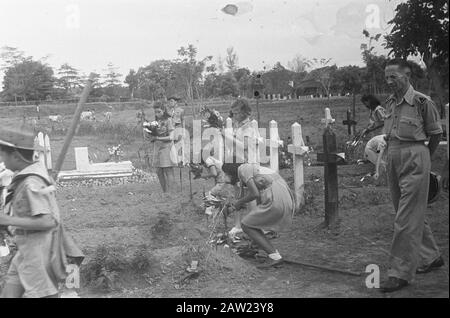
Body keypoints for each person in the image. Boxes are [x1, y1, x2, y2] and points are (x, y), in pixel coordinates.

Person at [380, 59, 444, 293]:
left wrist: (424, 158)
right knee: (405, 212)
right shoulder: (390, 103)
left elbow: (435, 134)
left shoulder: (422, 102)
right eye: (386, 77)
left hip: (416, 154)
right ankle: (431, 256)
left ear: (407, 76)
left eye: (393, 77)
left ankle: (400, 273)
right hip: (394, 155)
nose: (388, 82)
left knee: (405, 219)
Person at [0, 126, 83, 298]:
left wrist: (7, 220)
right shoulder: (29, 177)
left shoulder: (31, 183)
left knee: (42, 294)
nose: (2, 159)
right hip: (25, 248)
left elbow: (48, 221)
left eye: (3, 154)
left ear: (15, 156)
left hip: (37, 250)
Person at [221, 162, 294, 268]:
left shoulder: (243, 169)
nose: (224, 177)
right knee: (253, 222)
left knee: (246, 225)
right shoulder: (249, 172)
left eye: (225, 174)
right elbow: (256, 196)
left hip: (276, 197)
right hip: (282, 196)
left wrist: (238, 204)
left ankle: (275, 257)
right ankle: (255, 247)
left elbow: (255, 194)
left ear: (230, 172)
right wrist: (234, 206)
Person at [146, 101, 176, 193]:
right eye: (155, 112)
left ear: (163, 110)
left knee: (167, 169)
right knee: (158, 170)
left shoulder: (169, 120)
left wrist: (158, 138)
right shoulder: (156, 122)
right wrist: (150, 137)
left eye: (159, 111)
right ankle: (164, 191)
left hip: (167, 147)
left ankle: (170, 192)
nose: (157, 114)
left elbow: (171, 137)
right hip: (158, 147)